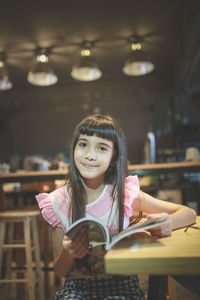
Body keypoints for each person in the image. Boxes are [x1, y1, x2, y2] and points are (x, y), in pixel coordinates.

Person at [36, 114, 196, 300]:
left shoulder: (124, 195)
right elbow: (60, 270)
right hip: (78, 289)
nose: (90, 155)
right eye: (83, 144)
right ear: (74, 150)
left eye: (102, 148)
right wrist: (68, 252)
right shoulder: (59, 201)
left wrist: (168, 222)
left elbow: (189, 213)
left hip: (123, 288)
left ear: (113, 158)